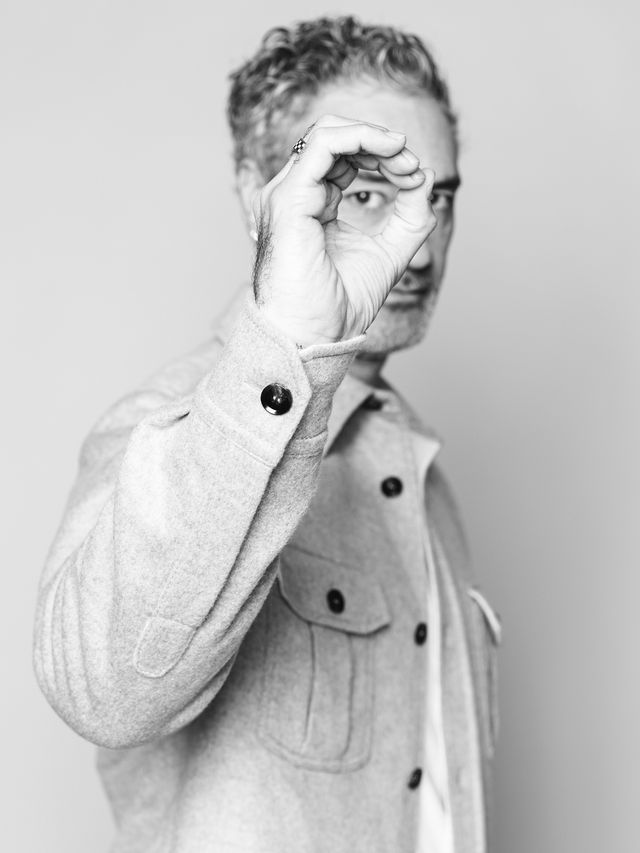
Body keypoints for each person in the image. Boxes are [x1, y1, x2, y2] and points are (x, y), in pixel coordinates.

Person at [33, 15, 501, 853]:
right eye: (366, 194)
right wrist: (291, 335)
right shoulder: (169, 425)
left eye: (439, 198)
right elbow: (102, 691)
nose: (421, 245)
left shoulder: (425, 479)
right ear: (261, 195)